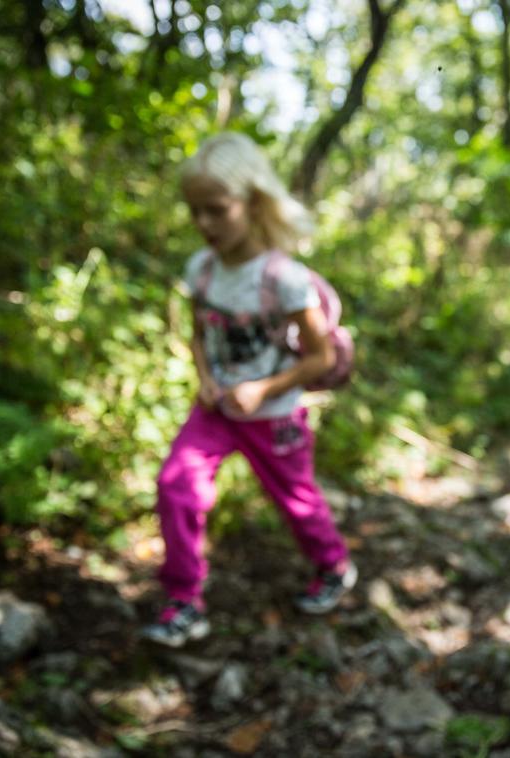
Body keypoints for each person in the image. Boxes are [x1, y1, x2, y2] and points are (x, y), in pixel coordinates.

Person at [139, 132, 356, 648]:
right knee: (177, 486)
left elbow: (320, 357)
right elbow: (198, 333)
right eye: (195, 212)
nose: (203, 224)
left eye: (217, 210)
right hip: (215, 410)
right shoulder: (203, 268)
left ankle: (333, 566)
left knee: (296, 500)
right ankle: (184, 600)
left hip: (274, 414)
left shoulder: (285, 279)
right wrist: (207, 380)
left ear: (252, 202)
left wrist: (264, 389)